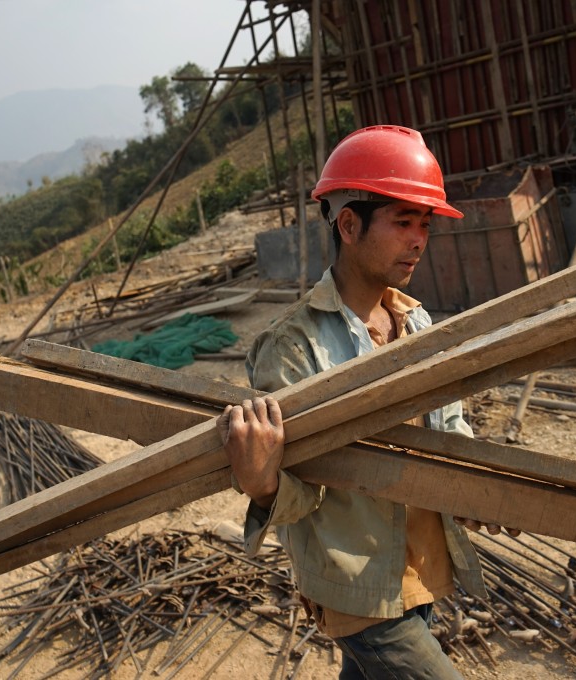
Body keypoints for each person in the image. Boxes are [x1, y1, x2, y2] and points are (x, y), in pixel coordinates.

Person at [216, 125, 510, 679]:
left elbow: (450, 433)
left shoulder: (418, 324)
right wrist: (263, 483)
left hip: (419, 567)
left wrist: (484, 490)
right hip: (358, 590)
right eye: (403, 222)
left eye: (425, 225)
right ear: (348, 224)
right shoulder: (294, 345)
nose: (419, 240)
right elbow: (300, 491)